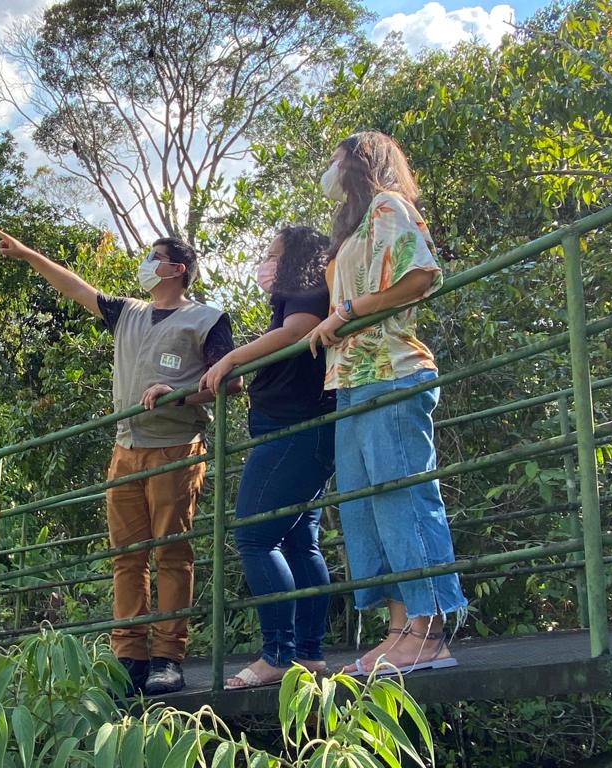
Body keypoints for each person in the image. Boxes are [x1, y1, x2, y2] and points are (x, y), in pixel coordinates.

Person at [0, 227, 241, 694]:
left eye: (155, 257)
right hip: (124, 450)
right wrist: (28, 254)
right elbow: (74, 286)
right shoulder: (129, 312)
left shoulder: (206, 319)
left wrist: (180, 394)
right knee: (126, 558)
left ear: (176, 270)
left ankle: (169, 657)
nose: (146, 262)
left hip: (176, 449)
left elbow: (230, 382)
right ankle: (130, 659)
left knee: (172, 552)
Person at [306, 131, 467, 676]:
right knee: (365, 507)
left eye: (336, 158)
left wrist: (347, 311)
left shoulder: (387, 205)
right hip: (350, 380)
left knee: (402, 497)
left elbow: (421, 274)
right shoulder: (355, 225)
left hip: (392, 371)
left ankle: (431, 632)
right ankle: (400, 629)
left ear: (361, 161)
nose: (330, 168)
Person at [199, 226, 336, 690]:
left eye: (272, 254)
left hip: (296, 429)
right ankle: (308, 654)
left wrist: (231, 358)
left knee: (255, 537)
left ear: (294, 258)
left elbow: (297, 333)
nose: (265, 262)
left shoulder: (308, 289)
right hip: (297, 428)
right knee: (300, 544)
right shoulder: (298, 296)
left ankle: (280, 653)